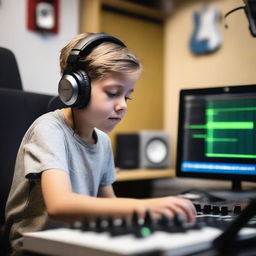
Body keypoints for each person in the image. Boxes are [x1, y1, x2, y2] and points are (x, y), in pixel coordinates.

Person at [4, 32, 196, 256]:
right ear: (76, 90)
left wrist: (153, 220)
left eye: (127, 96)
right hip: (33, 250)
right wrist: (146, 207)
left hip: (77, 243)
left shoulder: (102, 141)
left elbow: (110, 205)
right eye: (113, 93)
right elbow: (60, 206)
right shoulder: (48, 129)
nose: (122, 105)